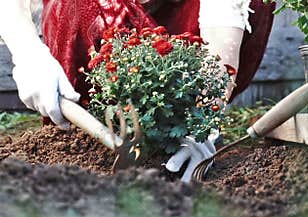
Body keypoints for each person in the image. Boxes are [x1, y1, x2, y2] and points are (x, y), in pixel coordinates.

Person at [0, 0, 275, 182]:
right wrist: (27, 52)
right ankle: (82, 142)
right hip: (97, 29)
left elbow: (220, 47)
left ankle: (177, 142)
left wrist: (202, 117)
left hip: (184, 31)